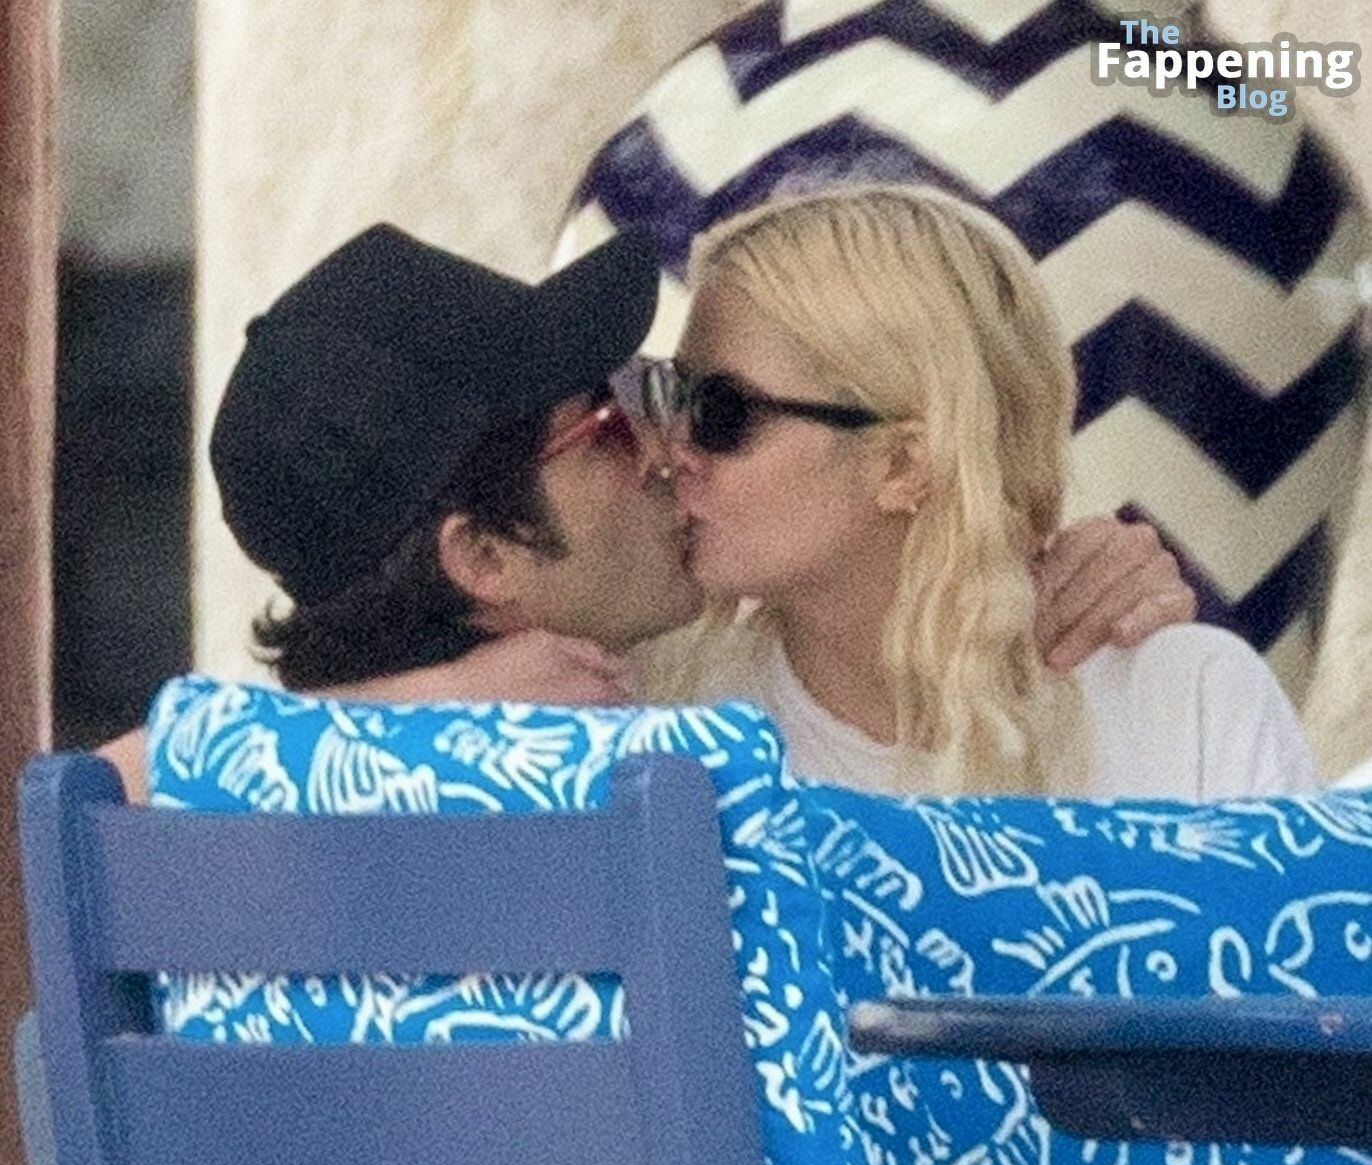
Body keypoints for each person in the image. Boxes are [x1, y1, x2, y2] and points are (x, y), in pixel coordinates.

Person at [99, 220, 1199, 799]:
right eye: (610, 425)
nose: (666, 449)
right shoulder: (627, 745)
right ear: (483, 557)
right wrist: (449, 703)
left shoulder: (274, 799)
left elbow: (96, 797)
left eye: (692, 406)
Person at [630, 183, 1314, 801]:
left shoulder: (1189, 706)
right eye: (670, 394)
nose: (668, 448)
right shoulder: (654, 716)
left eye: (721, 412)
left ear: (903, 465)